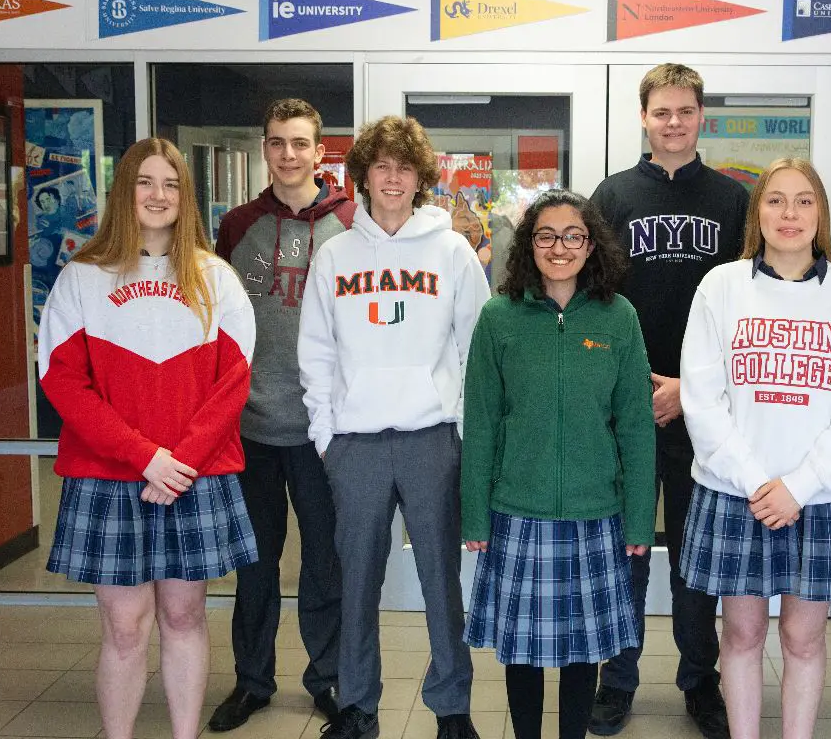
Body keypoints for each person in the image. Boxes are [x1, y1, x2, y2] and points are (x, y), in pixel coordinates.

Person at [38, 138, 257, 739]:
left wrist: (178, 461)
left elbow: (234, 384)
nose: (158, 196)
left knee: (184, 616)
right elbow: (63, 383)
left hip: (193, 474)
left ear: (185, 197)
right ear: (124, 191)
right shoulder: (81, 278)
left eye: (171, 184)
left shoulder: (216, 278)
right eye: (145, 182)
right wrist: (146, 458)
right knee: (125, 626)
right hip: (111, 476)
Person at [679, 158, 831, 739]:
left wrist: (799, 485)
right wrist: (758, 481)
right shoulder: (720, 286)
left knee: (803, 636)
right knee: (741, 636)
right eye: (775, 200)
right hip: (737, 493)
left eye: (803, 201)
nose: (789, 213)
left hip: (819, 496)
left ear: (820, 212)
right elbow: (702, 399)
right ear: (758, 213)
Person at [299, 116, 490, 739]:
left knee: (441, 582)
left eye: (404, 168)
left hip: (431, 439)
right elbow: (317, 353)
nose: (392, 178)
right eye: (380, 166)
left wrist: (460, 429)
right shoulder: (334, 254)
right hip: (354, 444)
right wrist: (327, 437)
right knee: (356, 581)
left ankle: (452, 707)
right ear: (362, 175)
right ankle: (357, 704)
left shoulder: (452, 250)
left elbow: (475, 348)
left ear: (420, 179)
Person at [588, 63, 748, 739]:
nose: (674, 122)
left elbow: (751, 309)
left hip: (705, 409)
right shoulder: (613, 193)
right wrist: (632, 387)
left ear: (701, 115)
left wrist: (692, 389)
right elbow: (595, 299)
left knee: (695, 559)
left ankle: (699, 683)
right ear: (645, 117)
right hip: (628, 406)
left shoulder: (737, 200)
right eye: (662, 112)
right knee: (625, 551)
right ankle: (616, 681)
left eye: (685, 110)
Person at [461, 190, 657, 739]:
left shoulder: (619, 318)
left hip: (596, 514)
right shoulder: (499, 319)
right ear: (529, 244)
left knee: (580, 653)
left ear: (591, 244)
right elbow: (480, 423)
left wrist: (640, 517)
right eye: (546, 236)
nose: (560, 247)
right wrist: (475, 513)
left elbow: (637, 429)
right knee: (520, 653)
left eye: (574, 236)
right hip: (517, 512)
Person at [208, 99, 356, 732]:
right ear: (264, 149)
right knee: (256, 564)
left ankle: (325, 678)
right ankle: (252, 680)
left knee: (325, 561)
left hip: (324, 431)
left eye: (300, 143)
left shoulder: (352, 224)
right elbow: (213, 319)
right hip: (250, 428)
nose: (289, 154)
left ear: (320, 152)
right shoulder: (237, 225)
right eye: (277, 143)